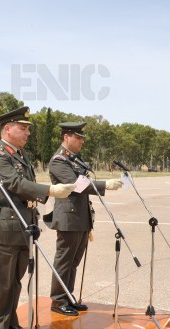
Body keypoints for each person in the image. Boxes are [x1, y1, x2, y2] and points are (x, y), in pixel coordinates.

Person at [0, 106, 76, 329]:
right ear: (7, 129)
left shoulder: (20, 155)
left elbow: (24, 184)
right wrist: (49, 190)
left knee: (16, 280)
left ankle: (10, 322)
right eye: (23, 128)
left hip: (23, 225)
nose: (27, 133)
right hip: (6, 225)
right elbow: (14, 183)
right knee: (3, 282)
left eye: (28, 129)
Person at [45, 122, 123, 316]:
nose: (81, 141)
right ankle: (58, 300)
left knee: (74, 261)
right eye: (78, 138)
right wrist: (105, 184)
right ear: (66, 137)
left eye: (82, 138)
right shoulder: (58, 161)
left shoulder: (73, 159)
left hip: (80, 217)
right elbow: (77, 185)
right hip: (68, 218)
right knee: (64, 261)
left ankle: (68, 297)